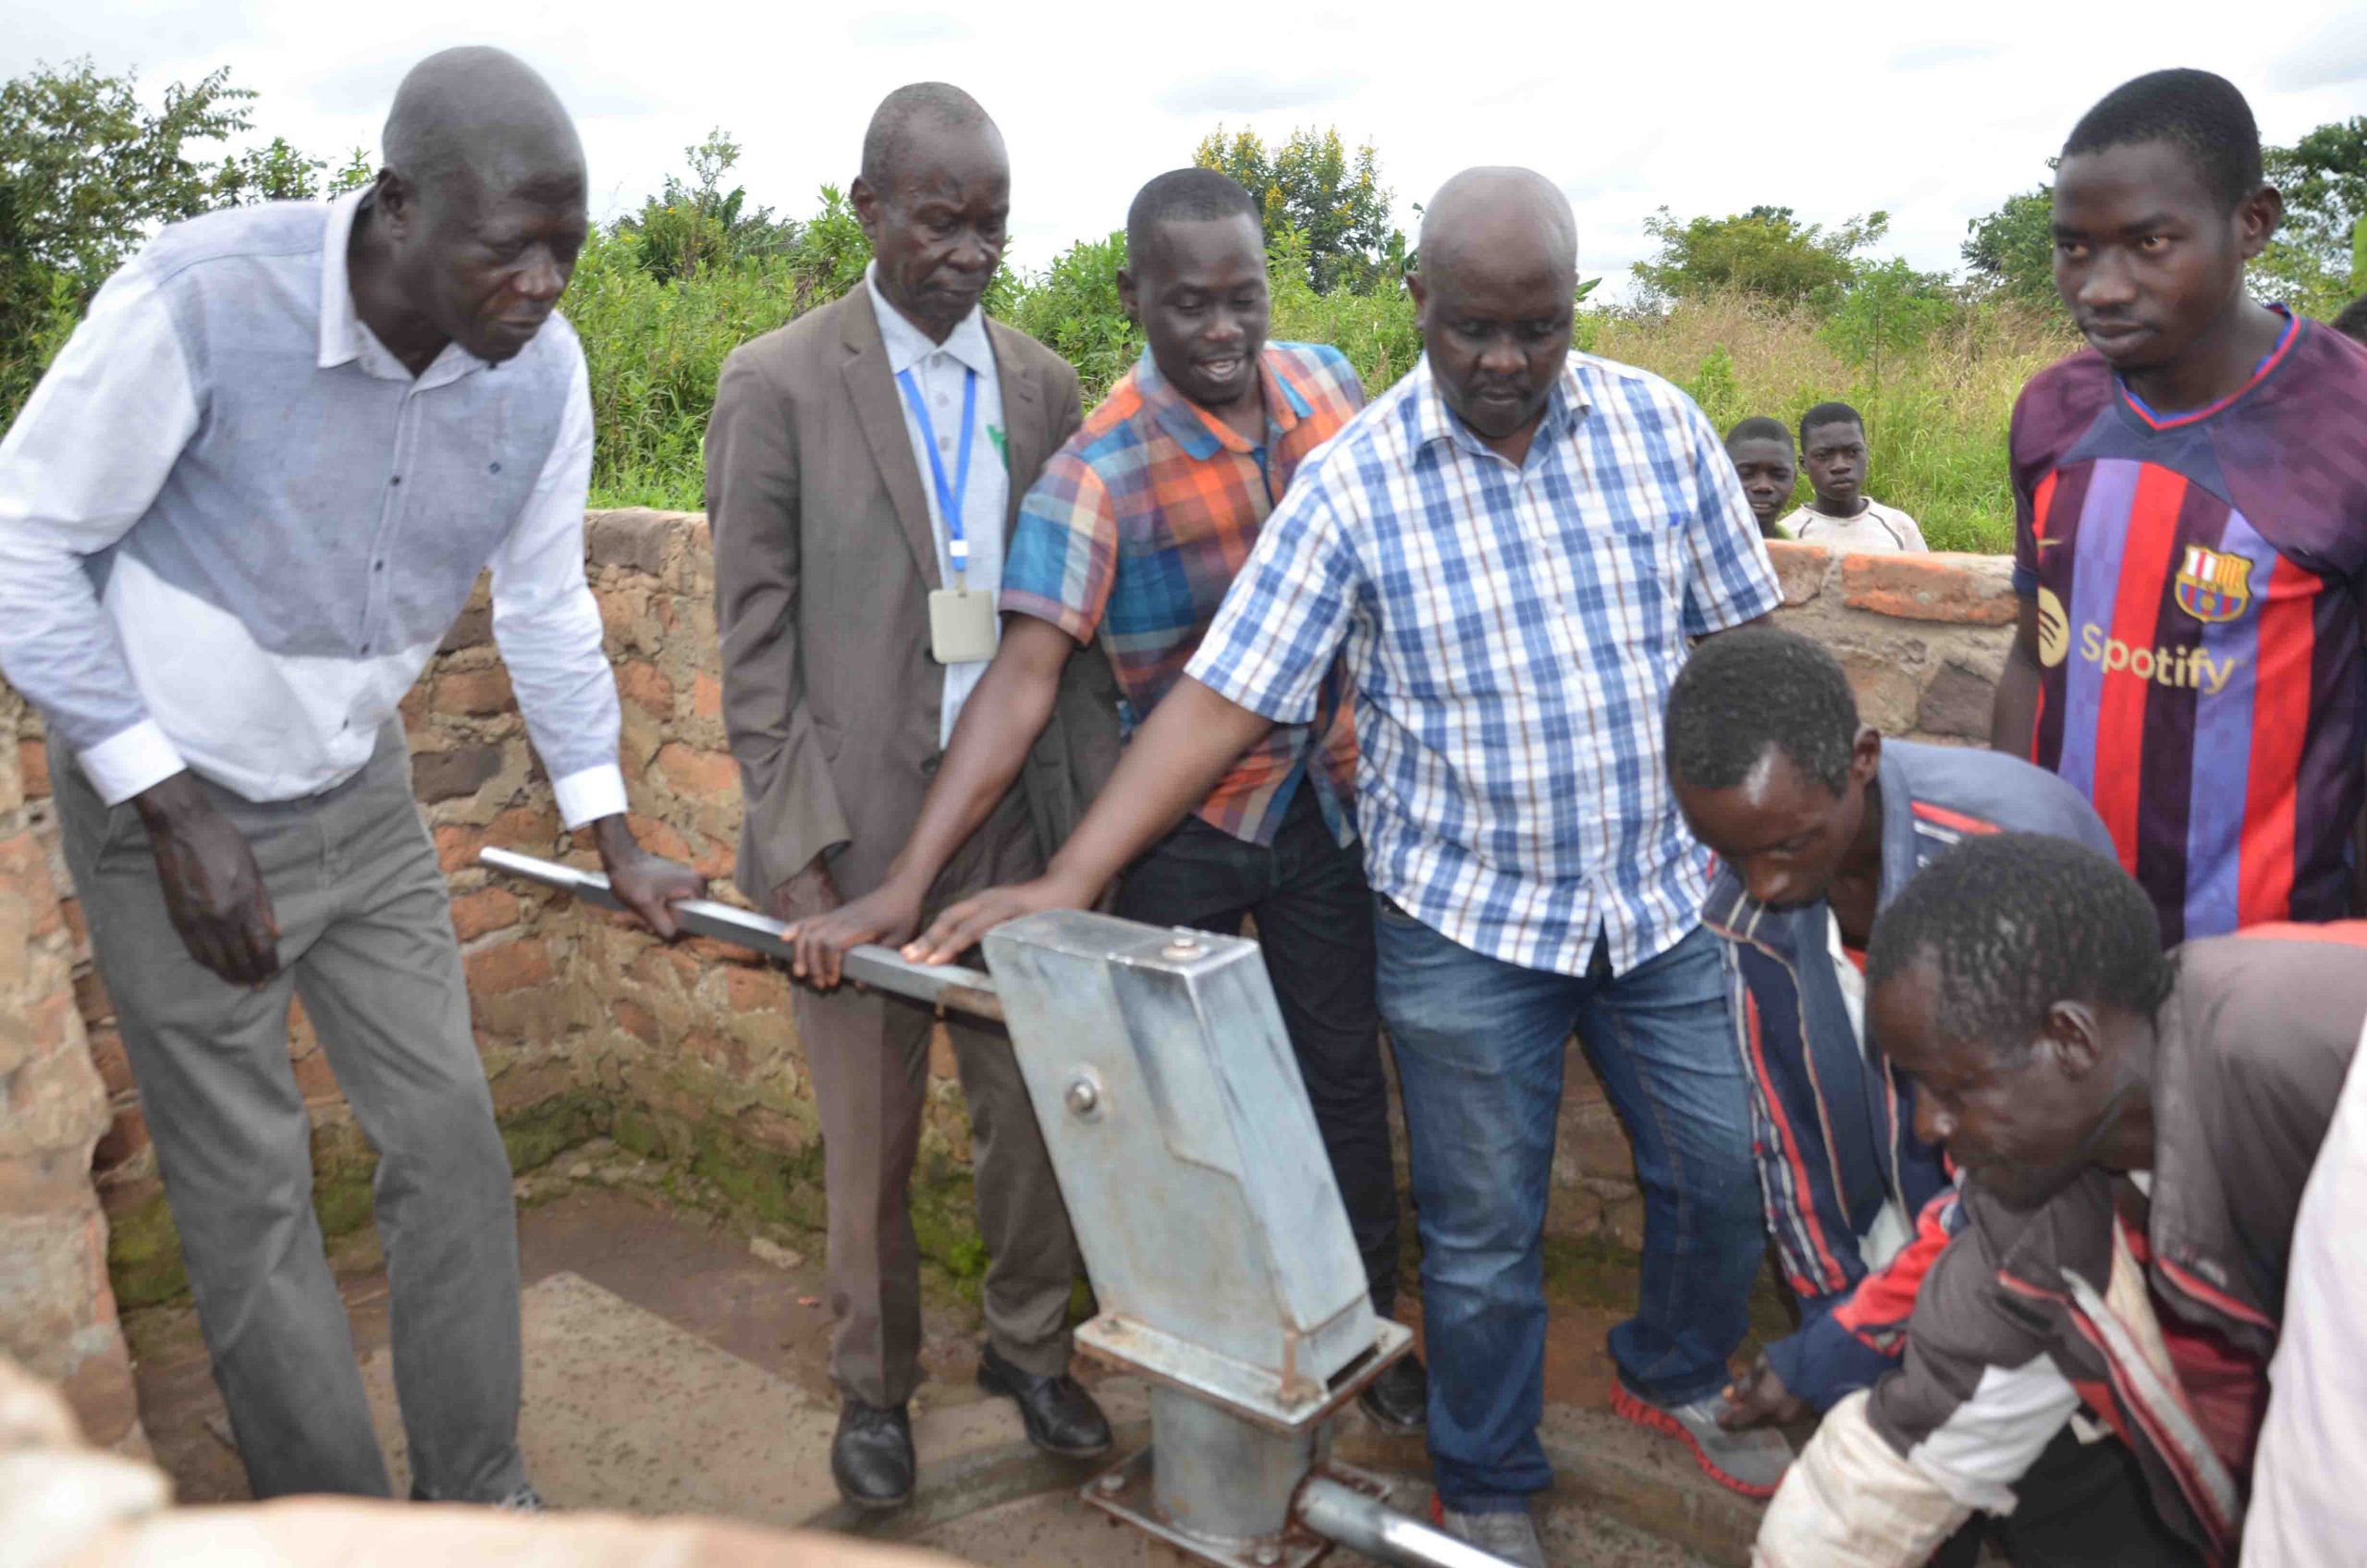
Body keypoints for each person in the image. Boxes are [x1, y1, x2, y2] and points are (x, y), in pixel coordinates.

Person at [900, 165, 1791, 1564]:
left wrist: (1796, 842)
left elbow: (1744, 644)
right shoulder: (1355, 480)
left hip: (1657, 896)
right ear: (1417, 305)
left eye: (1538, 329)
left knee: (1725, 1165)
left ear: (1577, 310)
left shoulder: (1660, 429)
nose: (1505, 364)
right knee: (1484, 1237)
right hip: (1464, 918)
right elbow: (1222, 698)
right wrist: (1072, 877)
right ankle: (1486, 1469)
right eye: (1472, 331)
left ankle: (1671, 1366)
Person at [0, 48, 703, 1504]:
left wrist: (613, 830)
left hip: (362, 802)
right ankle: (331, 1523)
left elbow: (551, 603)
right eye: (510, 250)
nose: (546, 287)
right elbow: (22, 542)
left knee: (449, 1140)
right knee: (248, 1195)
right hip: (164, 811)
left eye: (568, 252)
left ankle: (479, 1494)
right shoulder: (202, 302)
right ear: (395, 210)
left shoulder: (542, 378)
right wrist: (166, 800)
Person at [780, 168, 1426, 1431]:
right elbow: (1019, 685)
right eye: (1192, 307)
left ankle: (1371, 1338)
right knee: (1164, 1101)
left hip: (1323, 808)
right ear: (1136, 299)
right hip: (1178, 827)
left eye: (1246, 299)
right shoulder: (1098, 474)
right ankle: (1201, 1343)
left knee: (1344, 1077)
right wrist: (904, 886)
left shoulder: (1332, 389)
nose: (1226, 333)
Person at [705, 83, 1118, 1513]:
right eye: (941, 219)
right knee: (869, 1138)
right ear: (868, 208)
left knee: (1039, 1113)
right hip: (858, 830)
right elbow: (752, 649)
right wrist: (802, 857)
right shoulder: (778, 382)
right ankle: (873, 1393)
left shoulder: (1043, 387)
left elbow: (1057, 635)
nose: (971, 250)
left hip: (1009, 827)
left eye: (993, 222)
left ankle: (1029, 1348)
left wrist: (1081, 840)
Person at [1753, 833, 2367, 1566]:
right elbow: (1909, 1451)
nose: (1925, 1127)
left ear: (2070, 1040)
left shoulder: (2301, 1049)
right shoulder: (2034, 1212)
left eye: (1954, 1087)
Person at [1664, 628, 2114, 1428]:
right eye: (1729, 852)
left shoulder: (2007, 857)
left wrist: (1851, 1337)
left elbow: (2028, 1181)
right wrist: (1829, 1311)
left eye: (1791, 843)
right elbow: (1787, 1136)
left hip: (2052, 1245)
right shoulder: (1743, 890)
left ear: (1861, 760)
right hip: (1906, 1242)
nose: (1762, 882)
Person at [1990, 68, 2367, 943]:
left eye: (2150, 242)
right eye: (2074, 247)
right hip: (2070, 941)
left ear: (2253, 223)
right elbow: (2030, 658)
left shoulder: (2347, 426)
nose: (2102, 287)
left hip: (2270, 970)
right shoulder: (2053, 411)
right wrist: (2006, 866)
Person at [1778, 403, 1926, 552]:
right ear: (1804, 464)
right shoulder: (1787, 535)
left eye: (1853, 452)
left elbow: (1926, 574)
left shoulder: (1899, 526)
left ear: (1866, 454)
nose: (1840, 466)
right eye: (1823, 456)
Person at [1724, 416, 1799, 539]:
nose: (1763, 486)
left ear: (1793, 479)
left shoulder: (1807, 555)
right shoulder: (1692, 551)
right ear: (1722, 476)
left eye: (1779, 475)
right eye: (1746, 473)